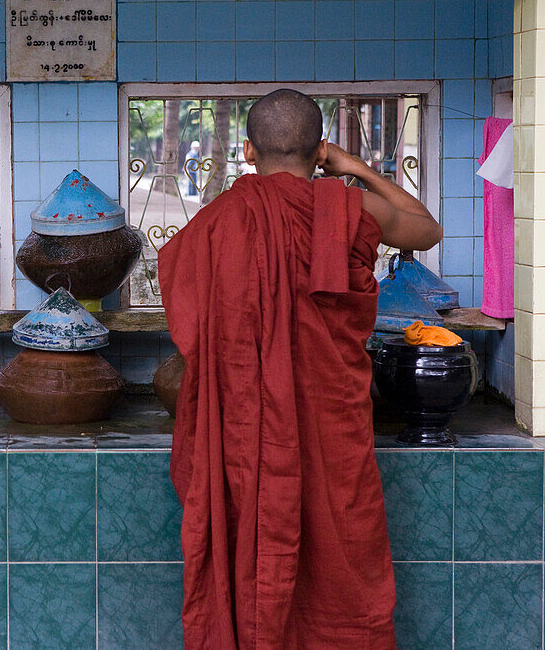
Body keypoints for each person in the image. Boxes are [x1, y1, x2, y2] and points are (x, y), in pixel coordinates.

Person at [158, 89, 441, 649]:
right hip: (330, 425)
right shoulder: (346, 209)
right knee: (344, 554)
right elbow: (424, 228)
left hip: (243, 430)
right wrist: (356, 168)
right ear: (319, 153)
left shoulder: (211, 226)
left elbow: (191, 330)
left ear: (246, 150)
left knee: (249, 543)